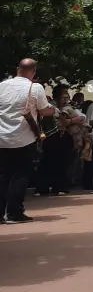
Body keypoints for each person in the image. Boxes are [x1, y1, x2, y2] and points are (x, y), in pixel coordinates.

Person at [0, 60, 54, 223]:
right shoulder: (35, 87)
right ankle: (14, 213)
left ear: (17, 69)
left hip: (1, 137)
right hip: (24, 138)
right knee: (20, 175)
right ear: (34, 71)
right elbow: (45, 111)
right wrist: (53, 110)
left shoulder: (2, 85)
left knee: (2, 176)